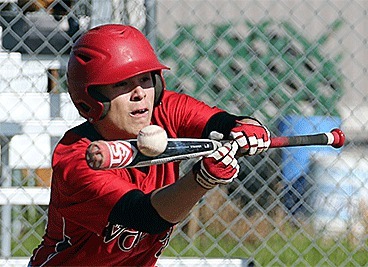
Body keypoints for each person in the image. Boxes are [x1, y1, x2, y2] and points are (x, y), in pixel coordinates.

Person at [29, 24, 270, 266]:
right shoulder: (79, 157)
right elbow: (146, 215)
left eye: (145, 80)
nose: (139, 93)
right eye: (121, 84)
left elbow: (223, 123)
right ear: (90, 99)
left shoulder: (166, 111)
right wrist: (202, 180)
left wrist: (249, 128)